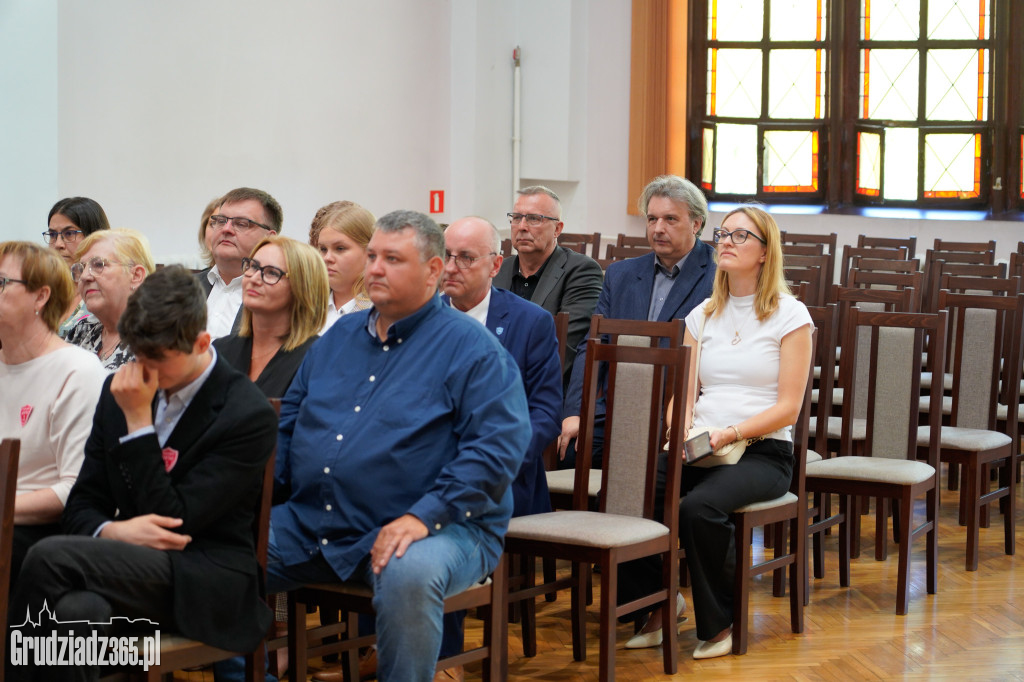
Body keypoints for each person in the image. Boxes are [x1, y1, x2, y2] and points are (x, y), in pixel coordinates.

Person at [269, 210, 529, 682]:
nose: (374, 269)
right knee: (221, 551)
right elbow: (290, 421)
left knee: (407, 572)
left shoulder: (473, 349)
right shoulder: (338, 338)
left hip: (445, 526)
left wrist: (420, 516)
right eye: (372, 256)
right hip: (319, 519)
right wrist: (261, 499)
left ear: (433, 271)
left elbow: (495, 452)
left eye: (392, 258)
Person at [8, 265, 279, 682]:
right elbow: (83, 503)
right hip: (123, 560)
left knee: (47, 555)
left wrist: (139, 425)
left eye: (159, 361)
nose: (145, 372)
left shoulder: (245, 413)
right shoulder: (118, 387)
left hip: (202, 574)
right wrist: (112, 532)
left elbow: (174, 521)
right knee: (78, 612)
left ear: (201, 343)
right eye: (139, 356)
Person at [618, 205, 813, 659]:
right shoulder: (702, 314)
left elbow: (788, 407)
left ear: (765, 253)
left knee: (698, 508)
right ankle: (659, 605)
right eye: (724, 233)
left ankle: (721, 622)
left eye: (740, 236)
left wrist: (731, 432)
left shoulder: (790, 315)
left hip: (763, 452)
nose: (726, 241)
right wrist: (678, 428)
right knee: (630, 489)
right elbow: (683, 393)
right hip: (704, 445)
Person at [433, 216, 563, 679]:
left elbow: (547, 412)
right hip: (426, 467)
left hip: (504, 477)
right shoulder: (418, 315)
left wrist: (495, 460)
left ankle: (444, 656)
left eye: (466, 258)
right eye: (446, 256)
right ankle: (379, 639)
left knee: (441, 521)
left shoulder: (529, 322)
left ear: (495, 265)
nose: (452, 267)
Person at [558, 174, 717, 470]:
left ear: (696, 224)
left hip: (680, 411)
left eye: (670, 219)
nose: (658, 228)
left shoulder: (718, 276)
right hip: (621, 405)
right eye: (652, 219)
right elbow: (591, 347)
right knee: (571, 453)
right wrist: (576, 411)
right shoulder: (621, 275)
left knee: (655, 471)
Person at [0, 241, 106, 587]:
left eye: (1, 282)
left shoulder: (77, 370)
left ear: (40, 297)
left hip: (44, 533)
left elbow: (74, 488)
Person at [492, 186, 602, 385]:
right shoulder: (497, 270)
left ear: (557, 229)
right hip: (490, 384)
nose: (522, 226)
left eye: (534, 218)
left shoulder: (581, 271)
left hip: (545, 390)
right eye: (517, 218)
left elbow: (564, 349)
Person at [214, 235, 328, 398]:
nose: (254, 279)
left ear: (302, 288)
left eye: (272, 273)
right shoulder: (221, 351)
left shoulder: (318, 360)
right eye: (253, 267)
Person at [196, 187, 284, 338]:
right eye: (221, 221)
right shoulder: (185, 287)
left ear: (269, 238)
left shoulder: (278, 300)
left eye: (242, 223)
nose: (226, 229)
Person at [65, 228, 156, 372]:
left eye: (98, 265)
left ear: (136, 276)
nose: (84, 277)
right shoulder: (83, 329)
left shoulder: (158, 337)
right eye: (81, 268)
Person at [44, 197, 111, 337]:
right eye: (52, 235)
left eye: (69, 234)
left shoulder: (108, 294)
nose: (58, 244)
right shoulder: (43, 291)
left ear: (94, 236)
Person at [309, 201, 374, 332]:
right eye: (323, 249)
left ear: (370, 252)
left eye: (340, 248)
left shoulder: (380, 315)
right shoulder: (307, 309)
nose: (327, 258)